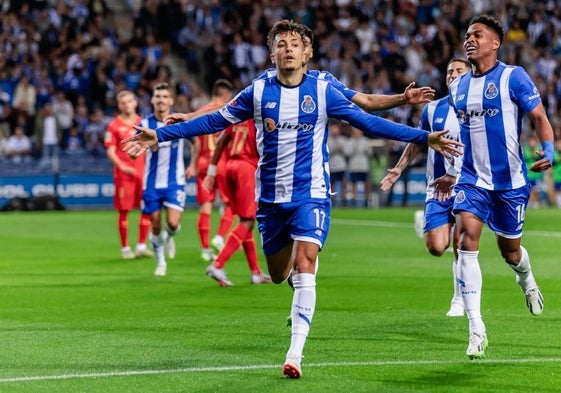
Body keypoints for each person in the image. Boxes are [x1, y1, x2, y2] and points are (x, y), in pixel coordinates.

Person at [123, 20, 462, 379]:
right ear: (272, 54)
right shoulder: (257, 92)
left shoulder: (323, 89)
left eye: (295, 43)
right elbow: (216, 121)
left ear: (307, 53)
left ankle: (295, 353)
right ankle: (296, 287)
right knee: (280, 272)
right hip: (270, 199)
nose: (288, 48)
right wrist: (160, 135)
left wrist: (424, 137)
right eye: (281, 44)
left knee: (305, 266)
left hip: (311, 193)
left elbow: (368, 121)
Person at [446, 15, 554, 360]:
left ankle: (525, 277)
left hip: (510, 183)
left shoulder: (513, 77)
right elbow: (460, 137)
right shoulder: (457, 88)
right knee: (465, 241)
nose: (470, 39)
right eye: (467, 35)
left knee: (510, 251)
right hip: (472, 180)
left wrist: (548, 148)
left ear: (496, 43)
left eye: (478, 34)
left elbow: (538, 117)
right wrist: (451, 171)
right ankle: (476, 328)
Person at [380, 57, 472, 318]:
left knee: (461, 244)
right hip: (437, 190)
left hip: (466, 185)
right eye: (449, 71)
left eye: (459, 71)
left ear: (470, 75)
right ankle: (425, 223)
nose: (453, 75)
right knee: (436, 247)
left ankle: (459, 299)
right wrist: (399, 167)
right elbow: (417, 141)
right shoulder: (432, 109)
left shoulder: (477, 109)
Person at [202, 119, 272, 286]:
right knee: (248, 220)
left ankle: (256, 273)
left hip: (230, 167)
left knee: (245, 221)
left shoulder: (237, 117)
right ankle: (217, 264)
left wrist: (211, 172)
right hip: (247, 168)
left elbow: (220, 142)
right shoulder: (262, 117)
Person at [140, 82, 197, 276]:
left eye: (165, 97)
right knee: (155, 223)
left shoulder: (178, 121)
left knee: (172, 223)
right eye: (158, 96)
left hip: (175, 181)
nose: (161, 100)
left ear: (171, 101)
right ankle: (160, 262)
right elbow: (134, 149)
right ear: (152, 100)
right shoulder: (145, 124)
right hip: (152, 182)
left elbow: (195, 141)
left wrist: (193, 164)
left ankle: (169, 237)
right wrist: (138, 150)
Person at [104, 89, 153, 260]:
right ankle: (125, 248)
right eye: (123, 102)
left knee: (146, 208)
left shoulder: (143, 123)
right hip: (124, 175)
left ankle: (141, 245)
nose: (127, 105)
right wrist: (122, 167)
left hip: (143, 172)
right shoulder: (113, 125)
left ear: (135, 102)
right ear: (119, 105)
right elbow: (110, 151)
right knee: (124, 211)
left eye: (129, 101)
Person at [192, 79, 236, 262]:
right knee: (231, 205)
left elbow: (194, 139)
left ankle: (204, 250)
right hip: (221, 163)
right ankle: (219, 237)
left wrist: (193, 163)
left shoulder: (201, 112)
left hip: (203, 162)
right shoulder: (228, 111)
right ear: (225, 95)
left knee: (206, 207)